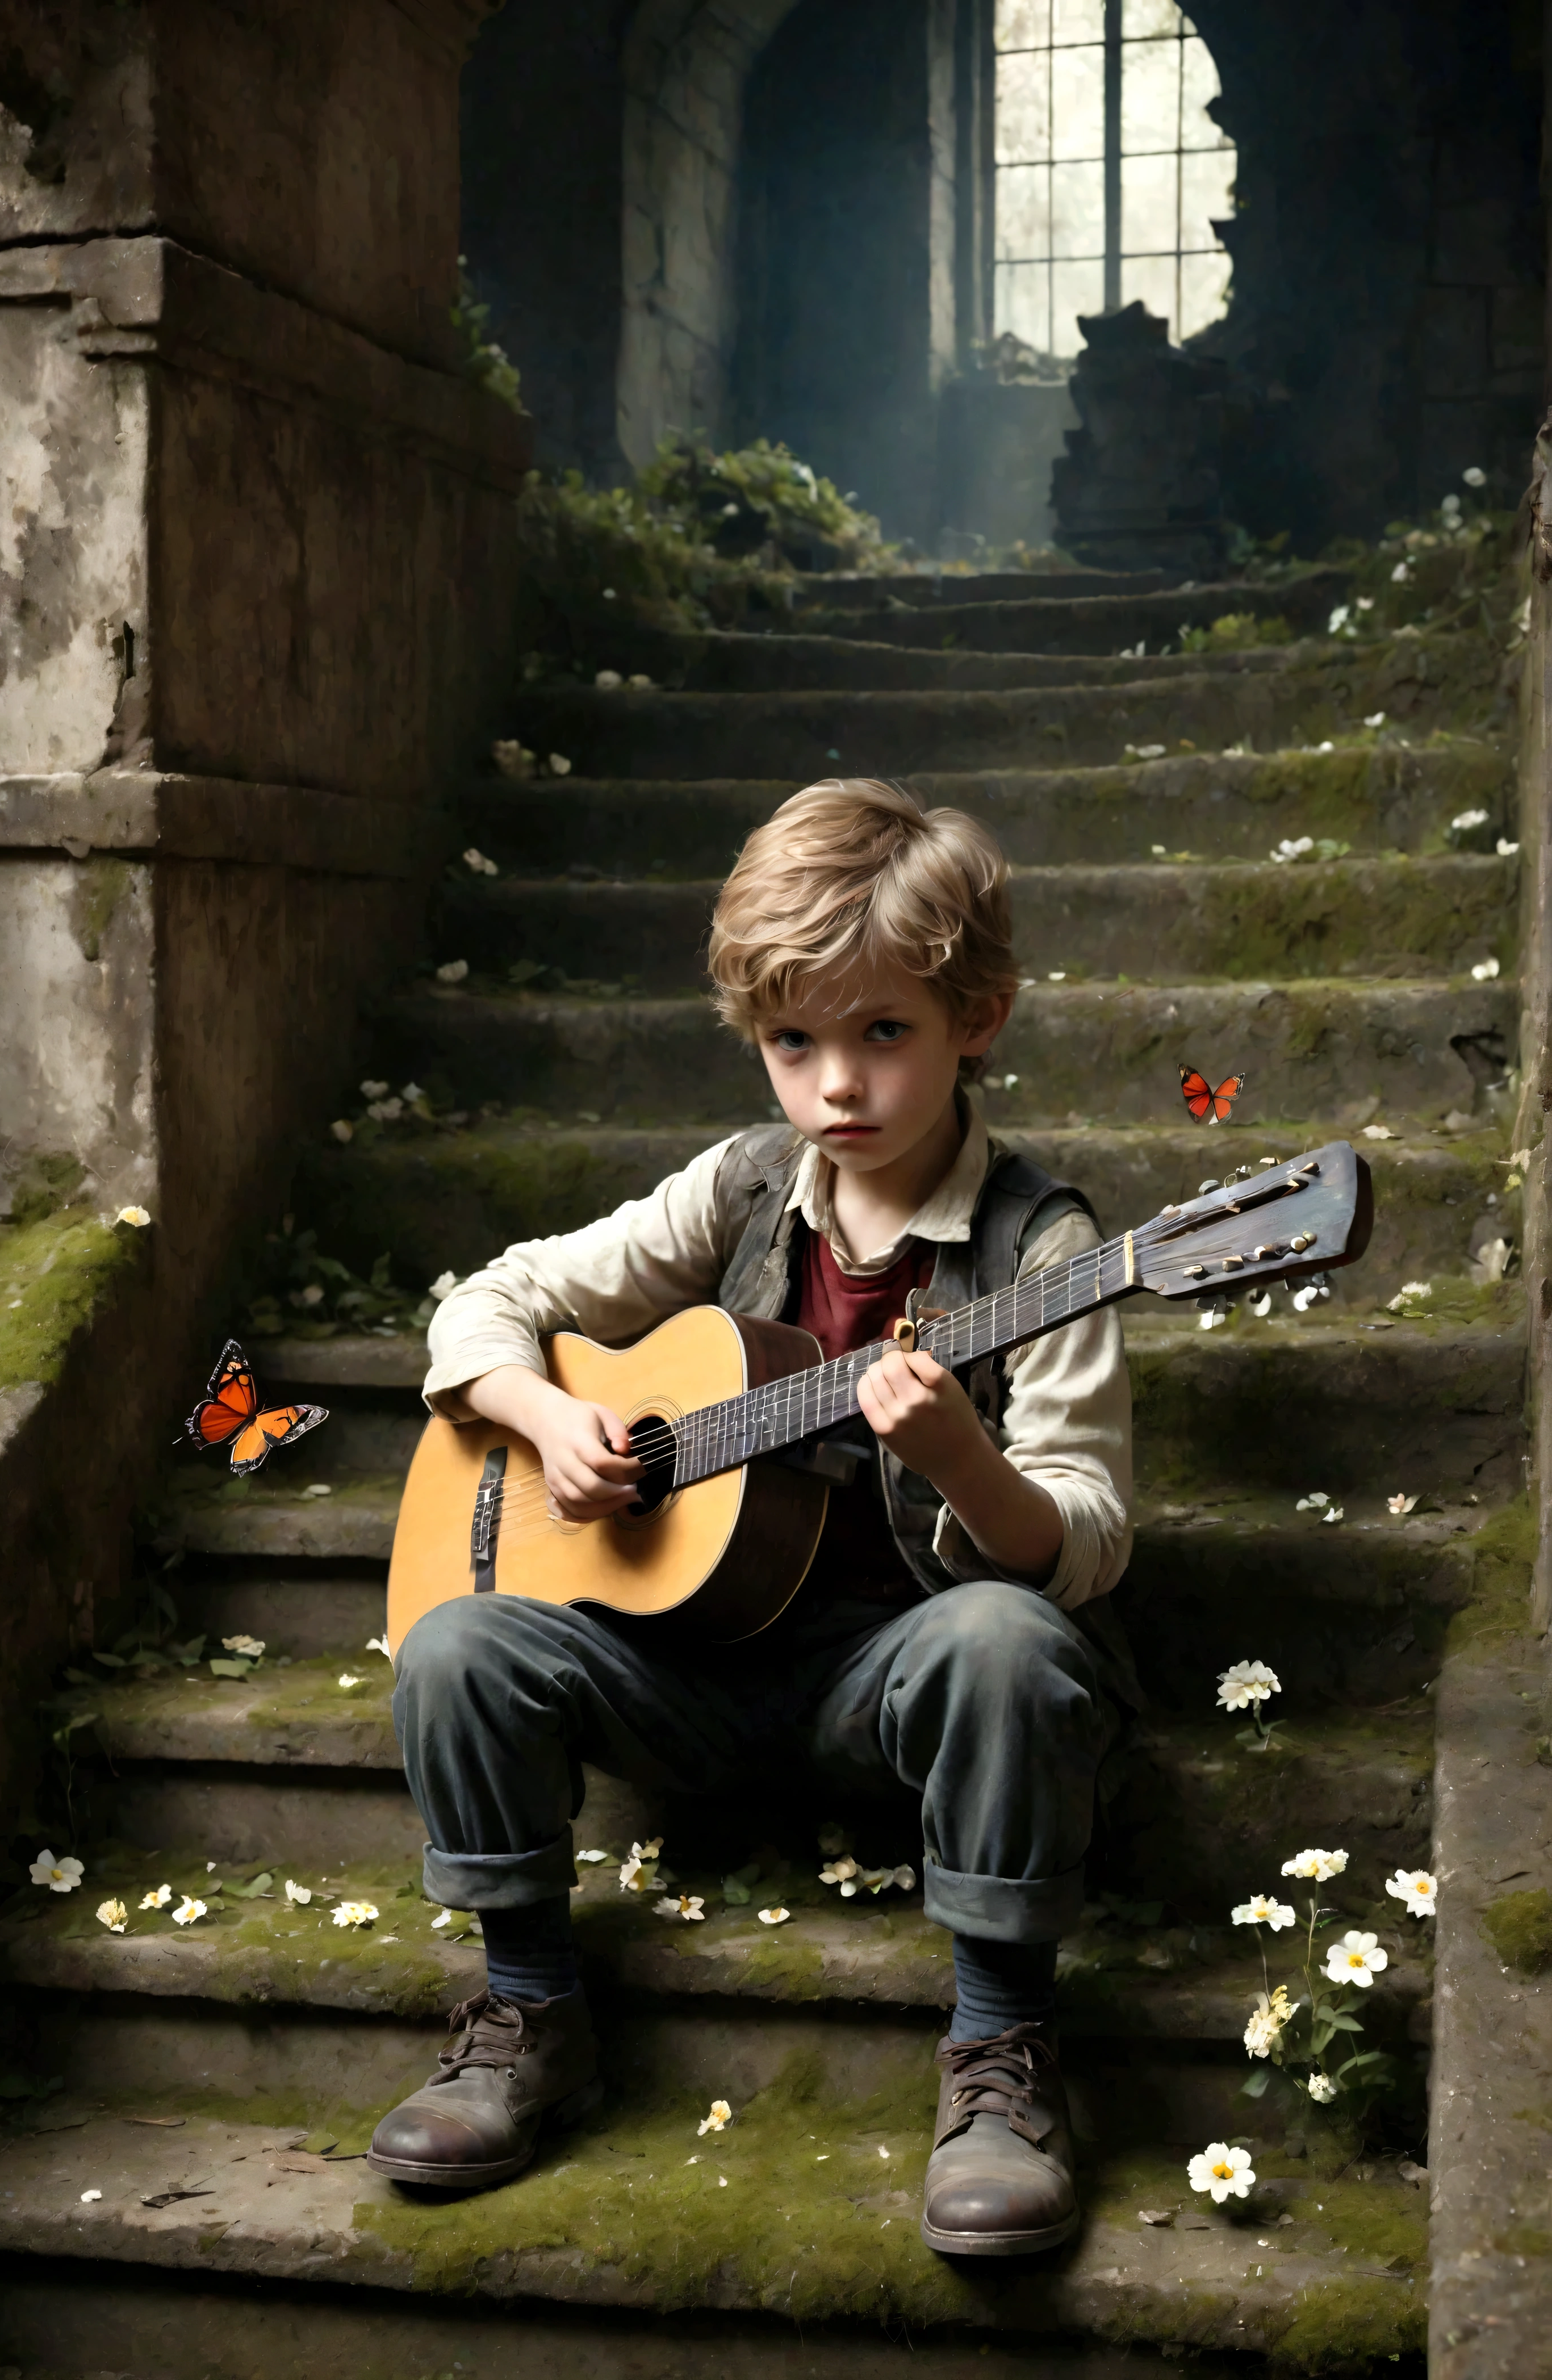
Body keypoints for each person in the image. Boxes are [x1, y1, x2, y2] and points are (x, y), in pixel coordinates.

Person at [366, 778, 1133, 2257]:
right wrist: (546, 1419)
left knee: (1006, 1640)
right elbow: (491, 1303)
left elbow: (1088, 1540)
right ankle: (530, 2011)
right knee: (459, 1643)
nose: (836, 1084)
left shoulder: (1049, 1248)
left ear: (980, 1016)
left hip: (893, 1685)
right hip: (691, 1676)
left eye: (883, 1033)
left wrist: (971, 1465)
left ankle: (998, 2053)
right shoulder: (739, 1190)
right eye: (796, 1042)